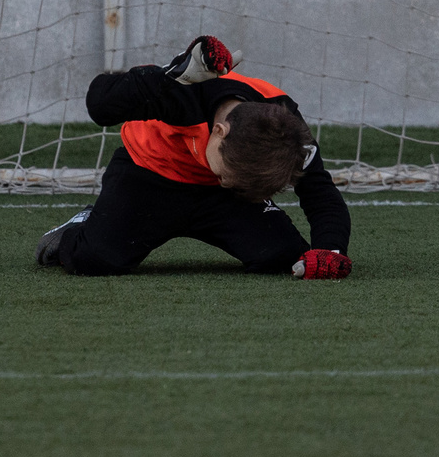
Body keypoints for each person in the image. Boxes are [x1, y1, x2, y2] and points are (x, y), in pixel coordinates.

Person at [34, 35, 352, 279]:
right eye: (228, 172)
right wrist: (170, 76)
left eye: (236, 180)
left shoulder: (286, 130)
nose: (226, 178)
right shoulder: (185, 94)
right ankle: (82, 223)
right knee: (94, 260)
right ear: (219, 132)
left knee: (284, 257)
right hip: (148, 176)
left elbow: (321, 193)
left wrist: (331, 251)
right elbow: (99, 102)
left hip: (220, 199)